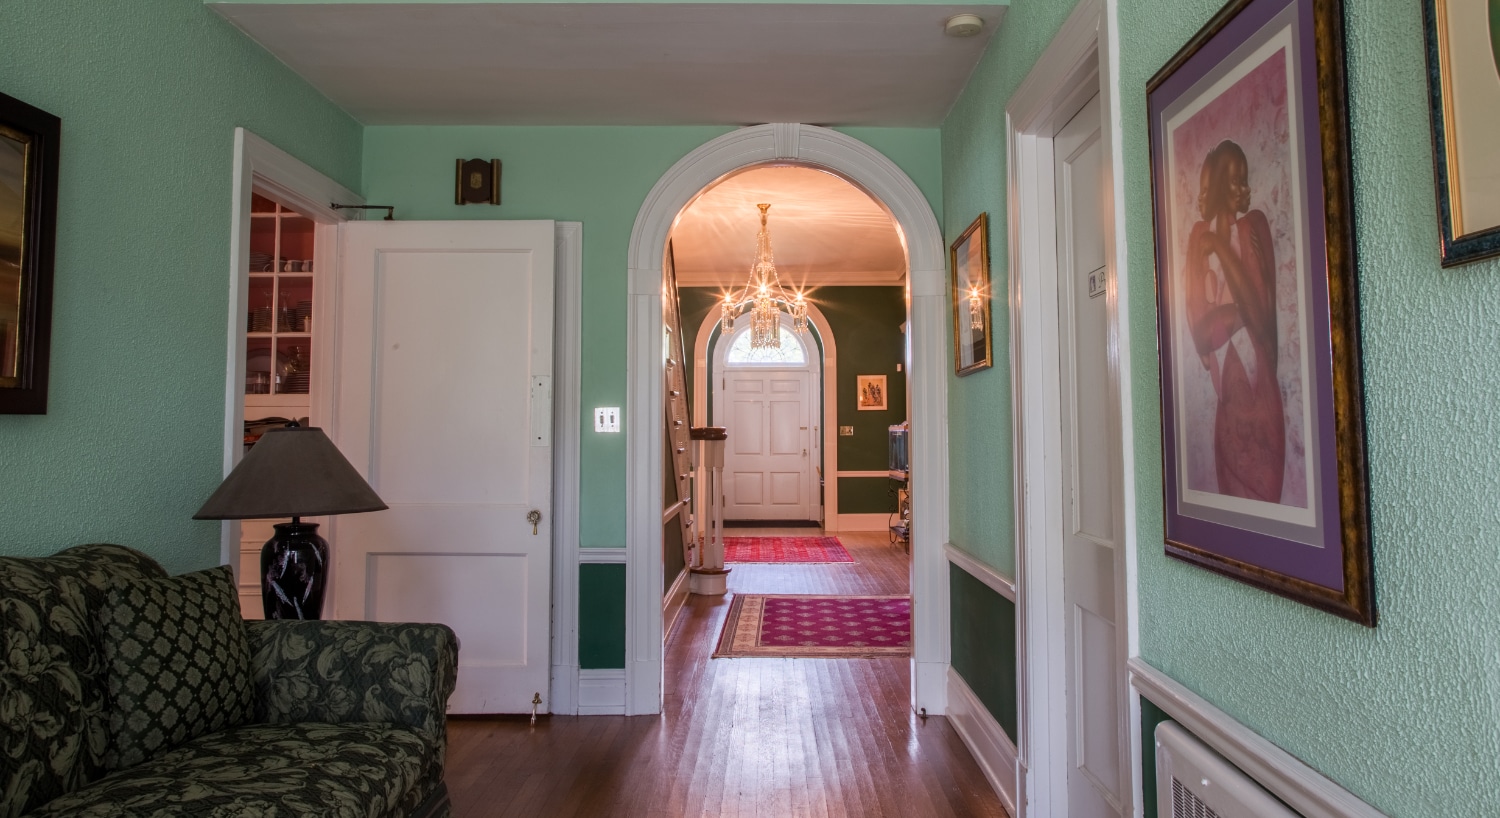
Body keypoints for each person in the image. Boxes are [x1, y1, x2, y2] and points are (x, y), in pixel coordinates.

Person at [1183, 139, 1285, 503]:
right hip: (1227, 402)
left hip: (1259, 398)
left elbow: (1259, 316)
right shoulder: (1198, 238)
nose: (1245, 189)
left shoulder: (1252, 226)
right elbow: (1201, 336)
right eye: (1235, 181)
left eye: (1244, 180)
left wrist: (1223, 249)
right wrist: (1237, 314)